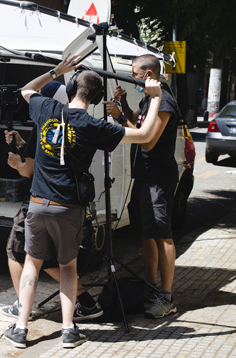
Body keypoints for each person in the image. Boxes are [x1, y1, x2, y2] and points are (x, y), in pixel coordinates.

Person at [3, 55, 163, 349]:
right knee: (67, 268)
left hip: (37, 204)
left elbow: (26, 90)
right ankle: (68, 331)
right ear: (97, 98)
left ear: (73, 86)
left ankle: (20, 328)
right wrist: (154, 98)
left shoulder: (47, 107)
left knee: (32, 264)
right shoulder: (93, 126)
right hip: (69, 207)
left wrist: (56, 71)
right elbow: (144, 134)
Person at [103, 54, 179, 319]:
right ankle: (149, 286)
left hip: (159, 178)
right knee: (147, 234)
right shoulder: (149, 98)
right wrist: (122, 105)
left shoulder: (165, 100)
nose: (131, 77)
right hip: (145, 176)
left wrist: (120, 118)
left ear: (148, 74)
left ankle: (166, 297)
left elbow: (146, 140)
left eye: (134, 73)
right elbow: (135, 121)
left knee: (162, 235)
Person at [1, 130, 103, 322]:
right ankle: (87, 303)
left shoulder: (44, 120)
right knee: (51, 261)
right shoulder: (70, 123)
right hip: (63, 204)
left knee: (15, 252)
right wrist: (24, 144)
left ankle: (23, 309)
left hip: (37, 201)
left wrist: (17, 164)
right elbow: (49, 156)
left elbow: (29, 169)